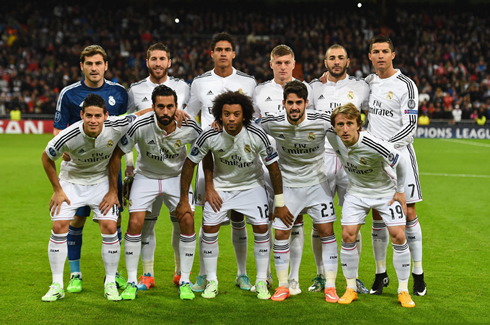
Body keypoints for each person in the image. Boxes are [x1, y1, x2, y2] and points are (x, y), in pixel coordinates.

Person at [176, 90, 293, 300]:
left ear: (244, 115)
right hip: (221, 188)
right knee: (209, 228)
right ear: (219, 115)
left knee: (261, 227)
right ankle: (211, 280)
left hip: (251, 185)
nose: (231, 118)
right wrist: (187, 198)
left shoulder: (257, 135)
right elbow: (190, 163)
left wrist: (280, 203)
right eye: (227, 114)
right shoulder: (210, 134)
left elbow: (274, 169)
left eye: (236, 114)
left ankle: (260, 281)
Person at [41, 94, 146, 302]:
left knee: (109, 226)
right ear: (81, 115)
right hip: (72, 182)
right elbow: (46, 157)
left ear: (106, 115)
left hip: (100, 182)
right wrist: (58, 190)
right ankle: (57, 285)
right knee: (59, 226)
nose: (93, 120)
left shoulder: (116, 124)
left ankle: (109, 283)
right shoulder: (69, 135)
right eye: (88, 115)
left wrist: (176, 112)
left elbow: (140, 114)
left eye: (98, 115)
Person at [102, 85, 201, 300]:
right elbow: (116, 154)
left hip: (175, 177)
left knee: (187, 220)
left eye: (170, 107)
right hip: (146, 176)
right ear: (153, 107)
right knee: (135, 223)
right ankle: (131, 281)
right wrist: (112, 191)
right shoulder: (141, 125)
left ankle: (184, 279)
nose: (165, 112)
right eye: (160, 107)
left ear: (177, 107)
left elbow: (207, 147)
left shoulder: (189, 125)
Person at [52, 45, 129, 293]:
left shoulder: (119, 92)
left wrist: (128, 164)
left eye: (98, 63)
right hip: (78, 167)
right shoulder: (69, 93)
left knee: (112, 218)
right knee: (77, 218)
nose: (94, 68)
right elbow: (58, 128)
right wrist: (63, 147)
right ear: (82, 66)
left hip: (109, 168)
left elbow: (124, 129)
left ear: (106, 66)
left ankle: (113, 274)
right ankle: (75, 274)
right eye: (89, 63)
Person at [184, 32, 257, 292]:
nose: (223, 53)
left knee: (239, 217)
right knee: (208, 219)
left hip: (240, 161)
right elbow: (190, 116)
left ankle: (242, 274)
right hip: (210, 161)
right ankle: (204, 275)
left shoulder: (248, 82)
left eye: (227, 49)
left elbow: (254, 118)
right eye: (218, 49)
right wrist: (203, 137)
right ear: (211, 53)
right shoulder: (200, 82)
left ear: (234, 53)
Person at [327, 103, 415, 308]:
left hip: (384, 192)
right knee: (348, 235)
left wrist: (400, 190)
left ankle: (403, 290)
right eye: (340, 124)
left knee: (398, 235)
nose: (345, 128)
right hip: (356, 192)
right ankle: (351, 288)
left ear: (359, 125)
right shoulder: (332, 138)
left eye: (350, 123)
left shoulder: (373, 144)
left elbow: (401, 161)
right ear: (335, 127)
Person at [259, 81, 337, 302]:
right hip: (288, 185)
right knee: (281, 234)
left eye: (298, 103)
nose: (294, 107)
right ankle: (283, 285)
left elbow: (344, 129)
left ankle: (330, 285)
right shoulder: (273, 123)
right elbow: (249, 125)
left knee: (326, 231)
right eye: (290, 103)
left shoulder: (322, 121)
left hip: (317, 184)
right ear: (283, 103)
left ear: (306, 103)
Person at [126, 43, 191, 290]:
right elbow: (127, 125)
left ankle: (179, 272)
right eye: (153, 58)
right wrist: (129, 164)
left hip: (176, 169)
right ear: (147, 61)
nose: (158, 63)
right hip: (146, 169)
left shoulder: (183, 87)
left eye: (162, 58)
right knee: (145, 224)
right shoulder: (135, 90)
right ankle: (147, 274)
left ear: (169, 62)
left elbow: (190, 116)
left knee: (181, 221)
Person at [365, 35, 426, 296]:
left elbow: (410, 127)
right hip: (375, 162)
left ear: (393, 54)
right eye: (375, 51)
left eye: (385, 51)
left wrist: (383, 147)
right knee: (378, 214)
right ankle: (381, 274)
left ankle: (418, 274)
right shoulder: (367, 83)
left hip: (400, 156)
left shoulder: (406, 85)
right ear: (369, 56)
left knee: (409, 213)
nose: (380, 55)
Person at [252, 44, 314, 295]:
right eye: (278, 62)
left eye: (287, 62)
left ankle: (294, 278)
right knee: (266, 220)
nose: (283, 67)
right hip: (266, 166)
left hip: (293, 166)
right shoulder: (260, 91)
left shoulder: (305, 88)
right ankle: (266, 275)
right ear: (271, 64)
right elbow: (253, 124)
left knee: (294, 219)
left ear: (293, 63)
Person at [310, 44, 370, 294]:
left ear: (348, 61)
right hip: (321, 158)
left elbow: (370, 117)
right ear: (325, 62)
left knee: (352, 222)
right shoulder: (313, 88)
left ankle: (352, 279)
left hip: (351, 161)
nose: (336, 62)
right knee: (319, 223)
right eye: (332, 58)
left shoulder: (361, 87)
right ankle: (321, 275)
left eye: (341, 58)